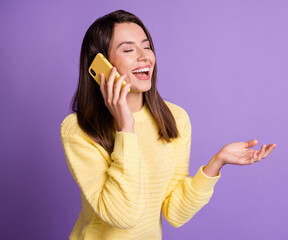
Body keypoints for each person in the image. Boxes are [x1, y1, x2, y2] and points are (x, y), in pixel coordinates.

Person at [60, 9, 276, 240]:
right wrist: (126, 128)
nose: (145, 57)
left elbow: (175, 212)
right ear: (101, 64)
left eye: (146, 46)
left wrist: (217, 162)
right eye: (129, 49)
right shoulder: (79, 129)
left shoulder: (174, 118)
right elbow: (122, 216)